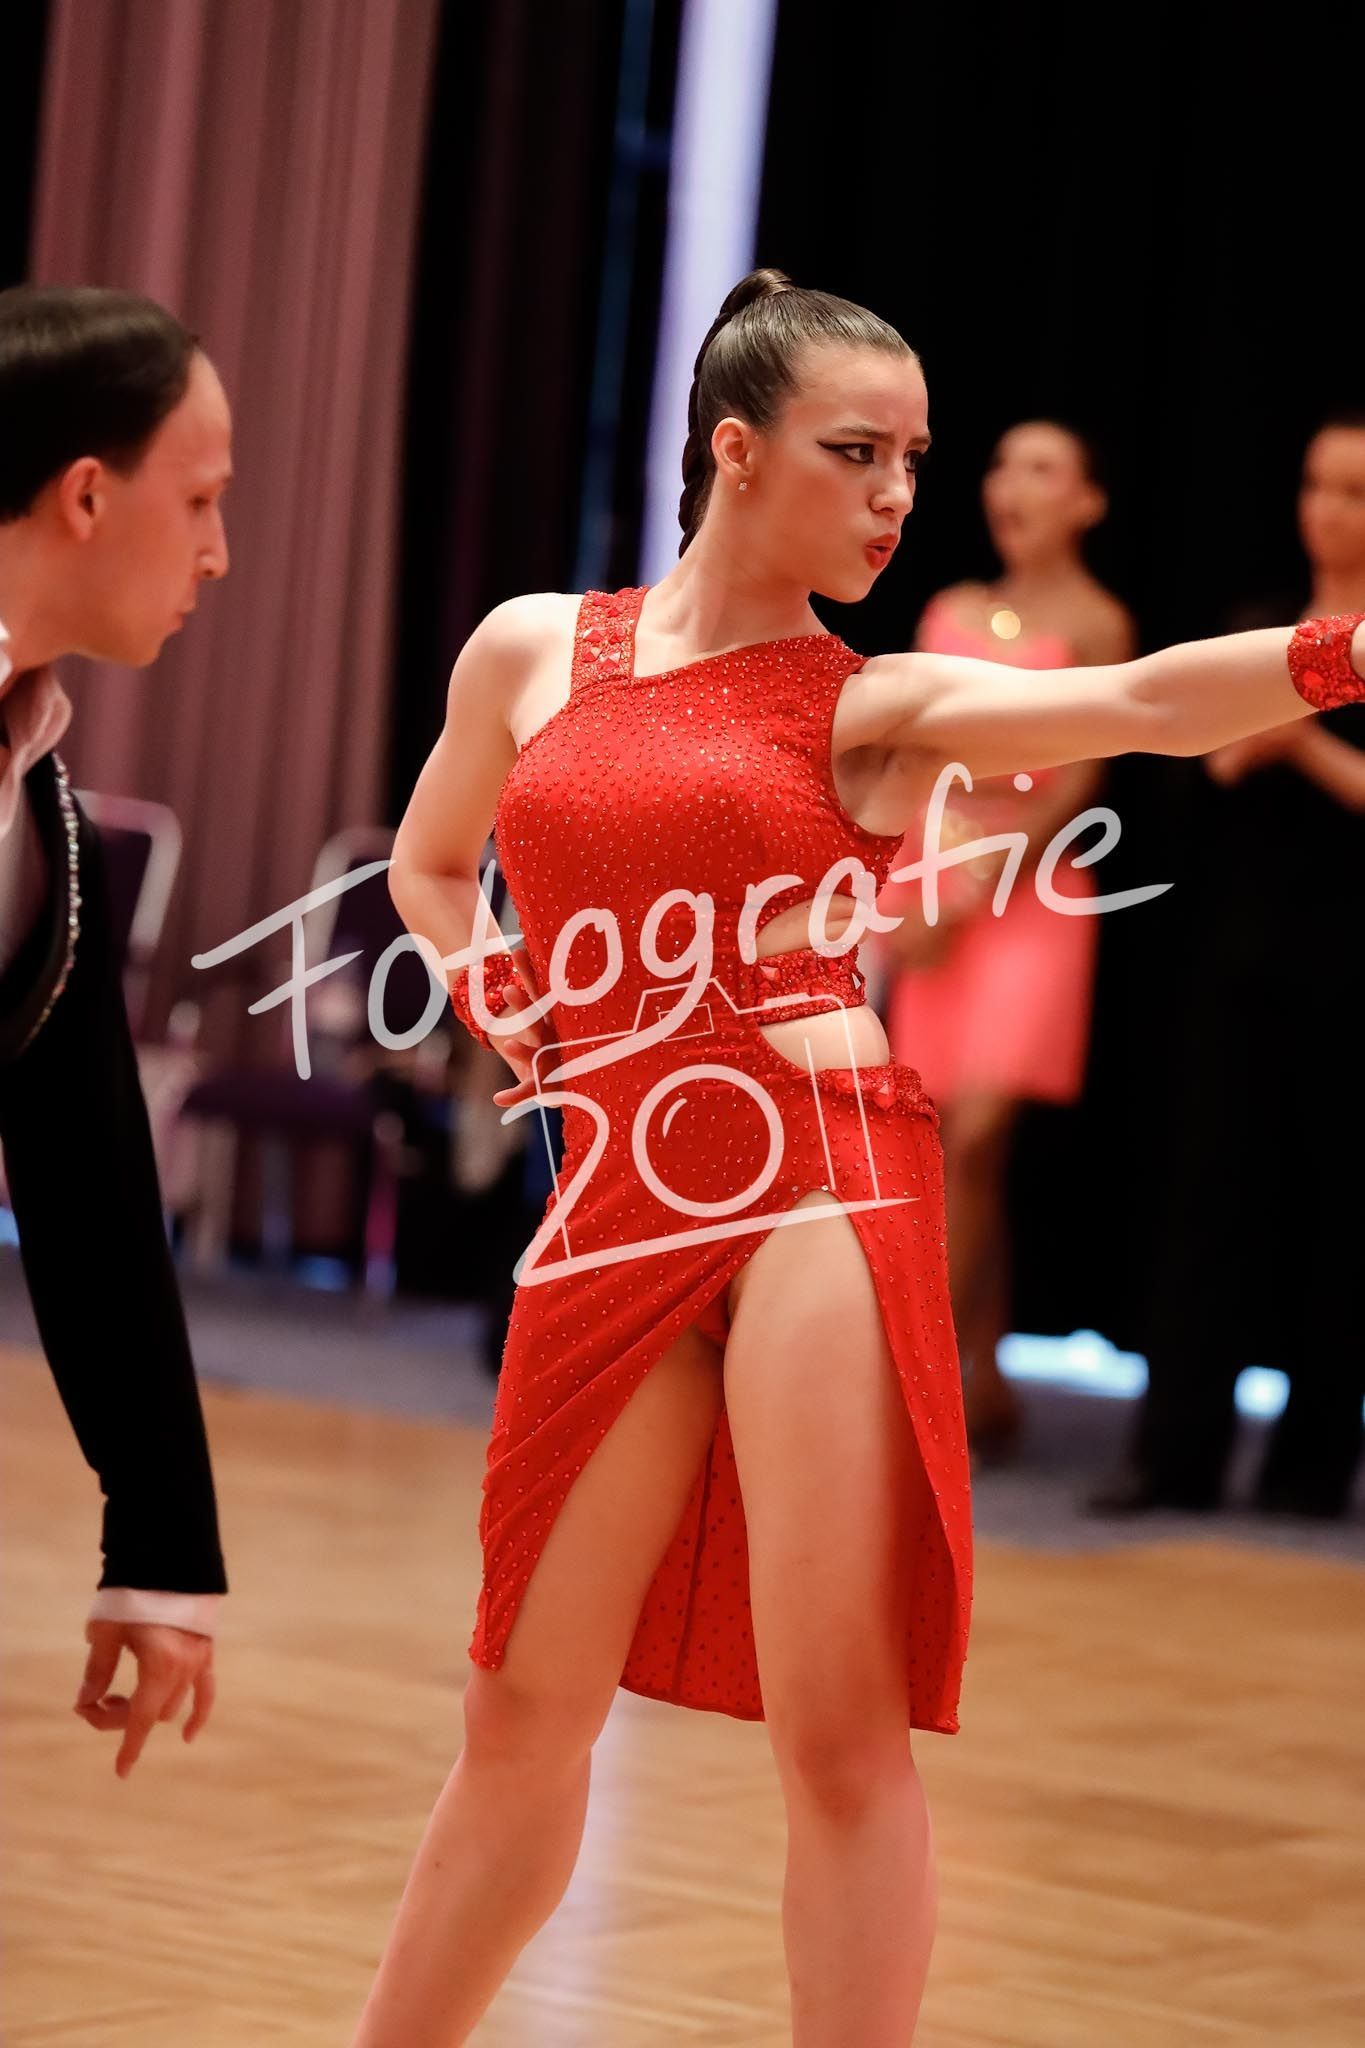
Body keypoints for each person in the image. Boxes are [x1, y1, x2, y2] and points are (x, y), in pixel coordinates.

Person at [359, 267, 1364, 2045]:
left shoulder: (875, 701)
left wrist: (1336, 653)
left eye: (915, 458)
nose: (899, 494)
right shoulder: (531, 647)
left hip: (817, 1184)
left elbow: (1141, 701)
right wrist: (489, 980)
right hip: (614, 1198)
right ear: (735, 450)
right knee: (519, 1703)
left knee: (838, 1729)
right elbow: (432, 864)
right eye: (857, 453)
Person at [0, 283, 233, 1776]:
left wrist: (162, 1544)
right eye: (199, 499)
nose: (218, 551)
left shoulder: (44, 817)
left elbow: (88, 1177)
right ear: (88, 495)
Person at [1090, 410, 1365, 1520]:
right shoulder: (1260, 628)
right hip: (1239, 956)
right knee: (1209, 1201)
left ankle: (1311, 1468)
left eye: (1352, 491)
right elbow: (1189, 761)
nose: (1326, 511)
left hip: (1353, 964)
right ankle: (1174, 1455)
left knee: (1342, 1215)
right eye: (1316, 485)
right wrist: (1242, 744)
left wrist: (1303, 742)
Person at [874, 420, 1134, 1461]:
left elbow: (1082, 780)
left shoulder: (1101, 621)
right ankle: (979, 1376)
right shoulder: (947, 610)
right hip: (932, 871)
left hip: (1034, 888)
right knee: (941, 1145)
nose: (1010, 485)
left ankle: (917, 1390)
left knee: (979, 1132)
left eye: (1041, 468)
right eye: (1001, 465)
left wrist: (977, 880)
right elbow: (910, 752)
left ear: (1087, 501)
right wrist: (912, 891)